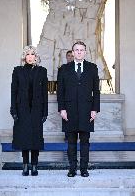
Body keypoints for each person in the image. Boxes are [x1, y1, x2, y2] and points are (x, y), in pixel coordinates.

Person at [57, 41, 100, 177]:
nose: (79, 52)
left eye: (82, 50)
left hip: (87, 110)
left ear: (85, 52)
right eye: (77, 50)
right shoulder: (64, 68)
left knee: (85, 141)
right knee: (71, 142)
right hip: (69, 110)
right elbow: (60, 91)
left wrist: (95, 109)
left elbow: (96, 91)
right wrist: (62, 109)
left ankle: (84, 169)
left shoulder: (92, 68)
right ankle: (72, 168)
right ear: (73, 52)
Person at [10, 45, 48, 176]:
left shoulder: (42, 71)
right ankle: (25, 165)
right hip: (22, 110)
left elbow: (44, 93)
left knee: (36, 138)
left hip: (37, 110)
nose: (30, 57)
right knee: (24, 138)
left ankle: (35, 165)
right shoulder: (17, 70)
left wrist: (45, 112)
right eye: (28, 54)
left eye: (32, 54)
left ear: (36, 57)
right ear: (24, 57)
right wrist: (13, 110)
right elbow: (13, 91)